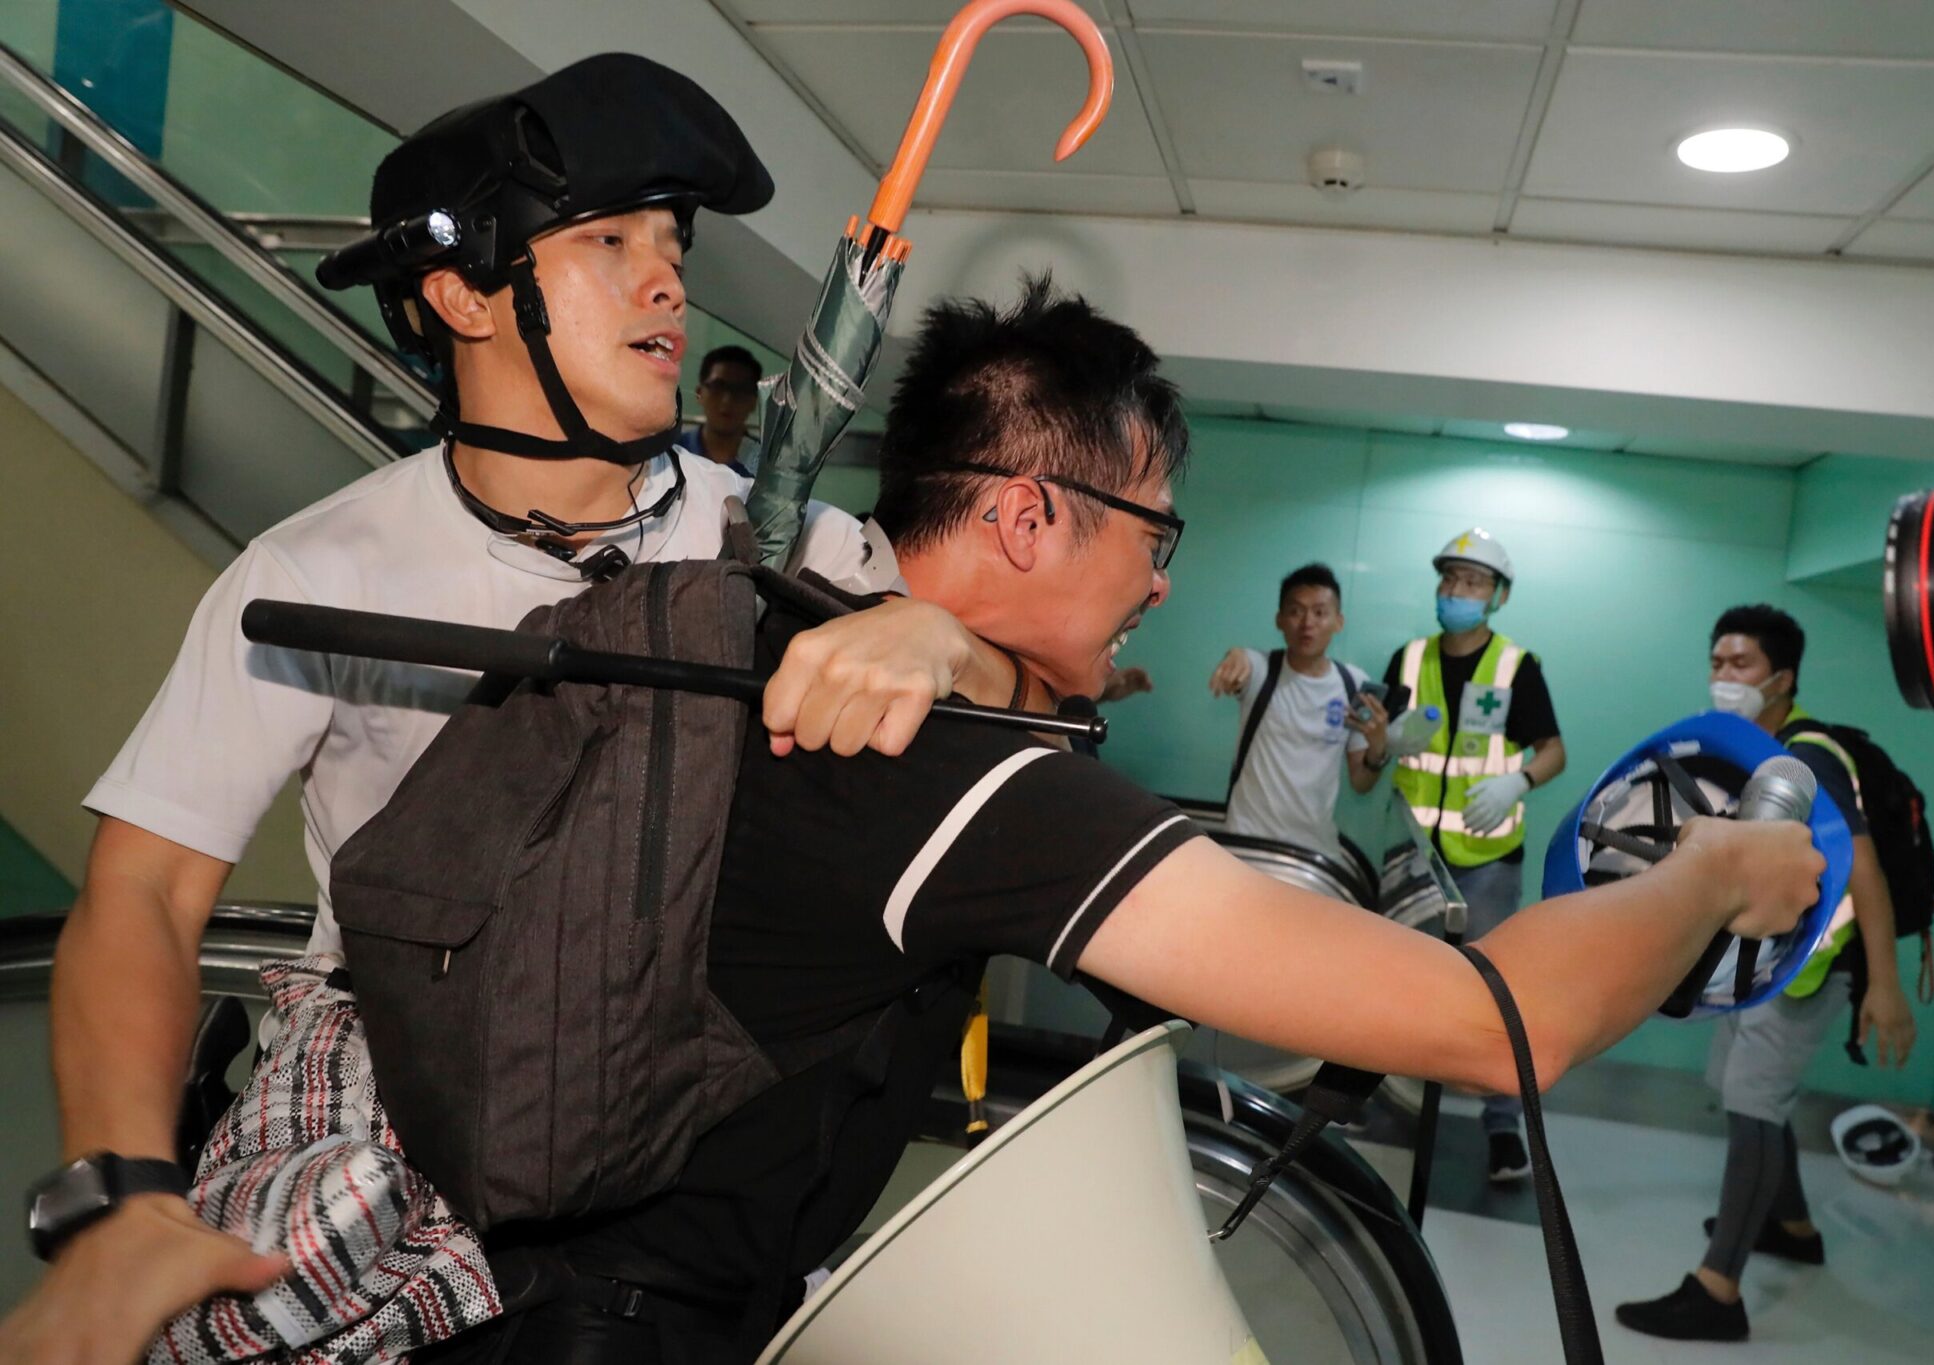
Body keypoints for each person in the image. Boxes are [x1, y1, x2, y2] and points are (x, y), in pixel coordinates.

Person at [372, 280, 1823, 1363]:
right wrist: (1711, 871)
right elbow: (1502, 1025)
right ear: (1025, 517)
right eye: (1154, 530)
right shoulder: (955, 775)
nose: (1163, 579)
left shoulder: (779, 633)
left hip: (500, 1280)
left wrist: (963, 642)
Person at [0, 54, 1012, 1365]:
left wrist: (944, 644)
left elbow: (997, 754)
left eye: (674, 247)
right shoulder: (317, 572)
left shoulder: (786, 544)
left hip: (687, 1125)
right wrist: (126, 1193)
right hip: (396, 1084)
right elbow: (143, 887)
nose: (669, 282)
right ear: (464, 295)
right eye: (609, 241)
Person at [1615, 604, 1917, 1343]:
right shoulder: (1761, 745)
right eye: (1717, 661)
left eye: (1741, 663)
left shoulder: (1810, 756)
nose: (1724, 676)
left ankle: (1717, 1291)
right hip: (1773, 962)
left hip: (1813, 970)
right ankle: (1791, 1225)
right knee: (1736, 1086)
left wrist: (1885, 985)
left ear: (1782, 677)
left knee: (1753, 1104)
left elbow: (1866, 872)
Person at [1355, 528, 1566, 1182]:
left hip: (1486, 855)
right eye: (1449, 578)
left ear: (1498, 596)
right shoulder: (1409, 658)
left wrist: (1516, 782)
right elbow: (1373, 753)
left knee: (1497, 987)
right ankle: (1365, 1094)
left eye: (1473, 582)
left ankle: (1503, 1126)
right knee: (1391, 976)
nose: (1457, 591)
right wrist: (1382, 743)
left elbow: (1554, 752)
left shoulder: (1516, 666)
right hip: (1413, 852)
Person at [1207, 564, 1386, 868]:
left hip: (1314, 853)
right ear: (1279, 619)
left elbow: (1361, 782)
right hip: (1248, 845)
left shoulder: (1353, 684)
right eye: (1295, 611)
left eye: (1320, 612)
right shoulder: (1261, 670)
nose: (1307, 623)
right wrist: (1233, 656)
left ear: (1338, 621)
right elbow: (1241, 661)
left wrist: (1378, 748)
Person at [678, 344, 763, 475]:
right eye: (718, 387)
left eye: (740, 390)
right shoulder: (671, 452)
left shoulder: (767, 466)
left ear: (754, 401)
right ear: (699, 393)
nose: (727, 400)